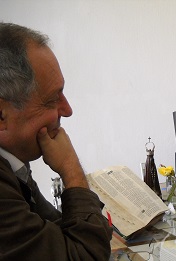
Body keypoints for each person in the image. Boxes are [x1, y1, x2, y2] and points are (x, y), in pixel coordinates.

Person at [0, 23, 112, 260]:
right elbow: (86, 256)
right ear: (1, 116)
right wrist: (71, 169)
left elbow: (59, 231)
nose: (67, 110)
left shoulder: (12, 164)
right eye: (51, 100)